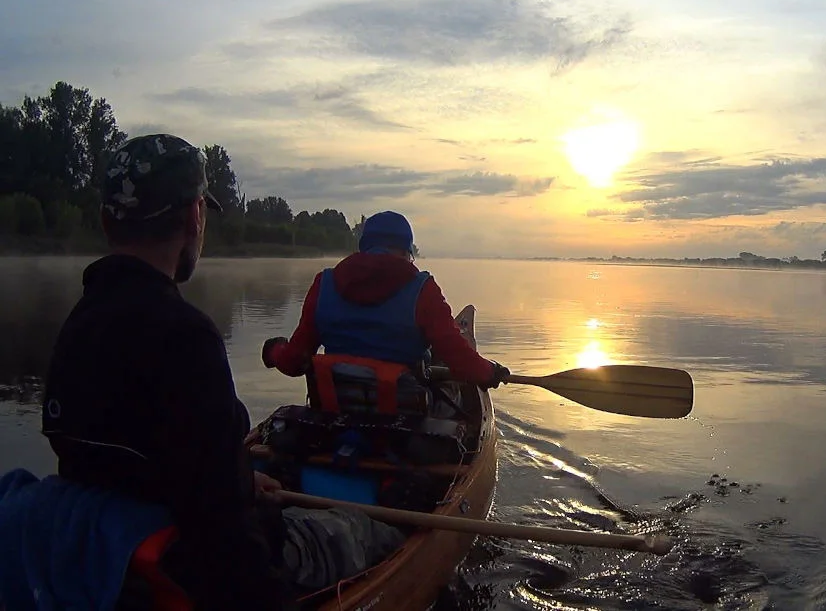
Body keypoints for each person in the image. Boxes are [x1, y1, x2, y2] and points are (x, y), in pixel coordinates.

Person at [21, 134, 401, 610]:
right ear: (194, 217)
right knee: (372, 529)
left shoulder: (76, 326)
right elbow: (227, 541)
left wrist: (240, 480)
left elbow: (130, 464)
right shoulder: (185, 338)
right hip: (186, 567)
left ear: (104, 221)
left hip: (118, 560)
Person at [261, 210, 509, 406]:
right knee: (449, 383)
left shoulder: (323, 284)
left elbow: (294, 362)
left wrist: (275, 351)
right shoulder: (423, 290)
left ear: (365, 247)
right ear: (405, 250)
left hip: (336, 413)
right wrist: (490, 372)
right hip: (405, 424)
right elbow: (460, 360)